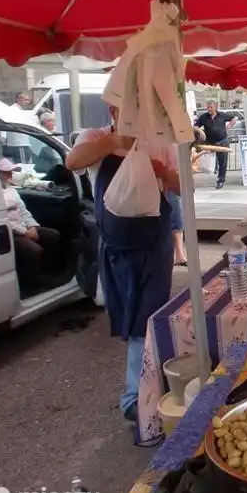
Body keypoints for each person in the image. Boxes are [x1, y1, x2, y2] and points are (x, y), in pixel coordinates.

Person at [66, 106, 180, 426]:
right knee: (130, 320)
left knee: (147, 317)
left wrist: (164, 174)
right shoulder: (95, 138)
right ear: (112, 108)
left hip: (154, 245)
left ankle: (136, 395)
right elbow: (72, 162)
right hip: (117, 248)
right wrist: (115, 140)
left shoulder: (161, 142)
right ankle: (144, 387)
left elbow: (184, 187)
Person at [0, 157, 61, 292]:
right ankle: (31, 285)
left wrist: (32, 227)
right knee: (33, 251)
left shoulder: (11, 190)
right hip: (10, 233)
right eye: (7, 171)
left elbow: (24, 211)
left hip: (24, 227)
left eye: (12, 171)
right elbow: (2, 220)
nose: (11, 174)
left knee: (53, 236)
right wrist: (24, 232)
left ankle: (44, 272)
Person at [194, 101, 235, 189]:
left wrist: (230, 125)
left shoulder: (222, 115)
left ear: (215, 107)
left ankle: (221, 180)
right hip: (210, 142)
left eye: (211, 107)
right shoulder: (204, 117)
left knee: (222, 162)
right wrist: (200, 131)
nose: (209, 109)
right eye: (208, 107)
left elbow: (235, 117)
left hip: (222, 141)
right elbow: (195, 126)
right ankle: (211, 170)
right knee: (206, 158)